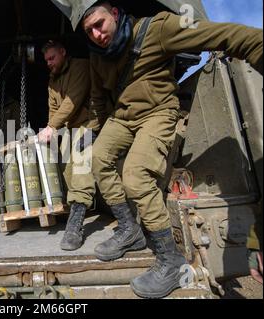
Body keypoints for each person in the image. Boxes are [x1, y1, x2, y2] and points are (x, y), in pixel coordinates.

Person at [78, 1, 263, 298]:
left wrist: (258, 48)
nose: (97, 34)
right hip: (123, 118)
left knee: (135, 176)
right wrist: (93, 129)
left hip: (158, 112)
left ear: (114, 12)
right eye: (89, 31)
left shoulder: (159, 28)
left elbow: (221, 34)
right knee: (98, 159)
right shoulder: (97, 55)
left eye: (99, 24)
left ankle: (171, 260)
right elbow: (99, 97)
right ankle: (130, 230)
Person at [38, 40, 98, 251]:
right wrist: (50, 131)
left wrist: (51, 126)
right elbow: (53, 110)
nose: (49, 63)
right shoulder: (52, 82)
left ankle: (76, 224)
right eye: (46, 60)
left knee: (80, 165)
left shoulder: (80, 66)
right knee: (65, 169)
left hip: (90, 123)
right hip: (70, 129)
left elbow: (72, 101)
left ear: (63, 52)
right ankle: (75, 209)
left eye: (52, 58)